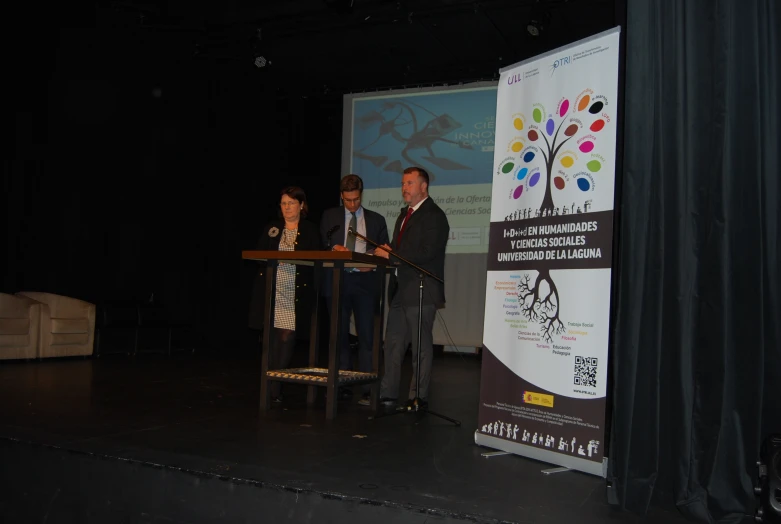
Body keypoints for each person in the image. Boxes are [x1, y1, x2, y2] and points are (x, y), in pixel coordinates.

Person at [374, 167, 449, 410]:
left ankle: (419, 397)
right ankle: (388, 394)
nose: (404, 188)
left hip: (421, 288)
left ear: (423, 186)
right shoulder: (403, 215)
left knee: (420, 347)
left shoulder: (434, 215)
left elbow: (428, 252)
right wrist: (385, 253)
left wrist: (392, 254)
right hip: (400, 289)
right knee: (393, 343)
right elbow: (398, 251)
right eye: (403, 183)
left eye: (409, 183)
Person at [320, 174, 389, 406]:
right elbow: (321, 245)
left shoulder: (377, 220)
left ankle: (369, 387)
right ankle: (342, 384)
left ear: (361, 194)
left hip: (365, 283)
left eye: (356, 199)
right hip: (337, 280)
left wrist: (368, 260)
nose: (352, 204)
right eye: (348, 200)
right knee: (338, 335)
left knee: (367, 336)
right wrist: (333, 249)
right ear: (341, 196)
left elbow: (384, 252)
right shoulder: (329, 216)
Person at [248, 186, 321, 402]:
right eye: (283, 203)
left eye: (291, 202)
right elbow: (260, 254)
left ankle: (275, 385)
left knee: (286, 336)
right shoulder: (272, 227)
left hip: (294, 292)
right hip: (272, 289)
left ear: (301, 205)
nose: (287, 207)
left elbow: (314, 261)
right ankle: (270, 388)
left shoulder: (309, 230)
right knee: (270, 339)